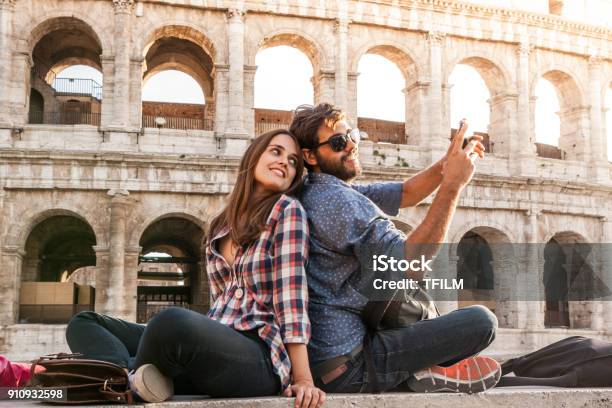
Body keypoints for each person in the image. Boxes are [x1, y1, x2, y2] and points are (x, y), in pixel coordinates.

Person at [66, 129, 326, 407]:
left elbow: (291, 296)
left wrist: (303, 379)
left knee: (170, 322)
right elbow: (220, 302)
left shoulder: (287, 210)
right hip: (214, 346)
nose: (285, 162)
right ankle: (129, 376)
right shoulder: (220, 225)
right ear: (254, 156)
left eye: (294, 161)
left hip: (259, 355)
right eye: (276, 152)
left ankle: (126, 378)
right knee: (84, 323)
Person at [289, 103, 501, 394]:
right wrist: (452, 185)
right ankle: (420, 371)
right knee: (482, 322)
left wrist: (447, 163)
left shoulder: (319, 190)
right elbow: (410, 262)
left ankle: (425, 370)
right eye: (339, 142)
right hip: (352, 368)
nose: (351, 144)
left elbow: (407, 193)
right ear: (310, 155)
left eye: (352, 135)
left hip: (330, 362)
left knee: (407, 302)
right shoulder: (339, 202)